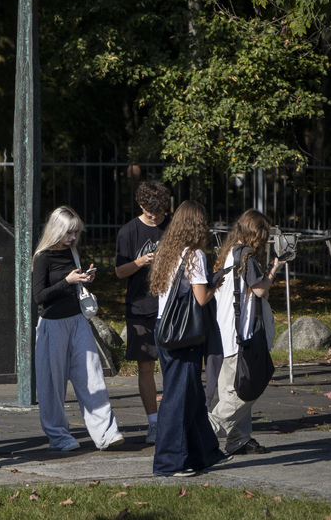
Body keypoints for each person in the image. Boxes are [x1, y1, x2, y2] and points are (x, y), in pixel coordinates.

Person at [32, 206, 125, 452]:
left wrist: (83, 279)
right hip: (52, 324)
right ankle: (58, 436)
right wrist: (67, 282)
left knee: (92, 376)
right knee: (53, 382)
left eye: (75, 232)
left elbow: (71, 283)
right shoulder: (43, 257)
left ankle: (106, 433)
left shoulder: (72, 252)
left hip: (77, 321)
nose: (73, 237)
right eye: (68, 232)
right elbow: (39, 296)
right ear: (56, 230)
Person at [147, 200, 227, 477]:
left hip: (164, 328)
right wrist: (215, 284)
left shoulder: (166, 251)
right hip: (185, 334)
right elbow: (201, 298)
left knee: (190, 393)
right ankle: (169, 463)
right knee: (177, 398)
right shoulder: (195, 255)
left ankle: (206, 452)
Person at [208, 209, 285, 455]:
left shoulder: (228, 254)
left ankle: (238, 440)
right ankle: (204, 430)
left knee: (233, 388)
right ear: (256, 234)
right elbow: (261, 290)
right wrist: (274, 269)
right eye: (263, 235)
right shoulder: (248, 258)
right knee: (244, 391)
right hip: (238, 338)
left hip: (223, 334)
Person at [115, 179, 171, 444]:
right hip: (140, 307)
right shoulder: (128, 231)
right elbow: (118, 271)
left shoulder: (171, 228)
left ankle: (173, 418)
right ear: (140, 205)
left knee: (172, 364)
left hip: (170, 306)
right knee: (146, 366)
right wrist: (140, 262)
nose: (155, 215)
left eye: (159, 210)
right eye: (150, 210)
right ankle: (153, 422)